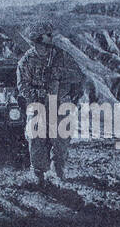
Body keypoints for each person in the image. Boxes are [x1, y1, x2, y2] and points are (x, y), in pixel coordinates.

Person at [16, 21, 86, 186]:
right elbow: (22, 86)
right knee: (37, 139)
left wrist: (59, 76)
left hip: (60, 104)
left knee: (61, 139)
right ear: (38, 38)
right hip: (38, 104)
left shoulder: (62, 57)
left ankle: (59, 168)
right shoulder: (26, 61)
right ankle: (39, 173)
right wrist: (37, 95)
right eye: (47, 35)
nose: (51, 38)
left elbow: (79, 76)